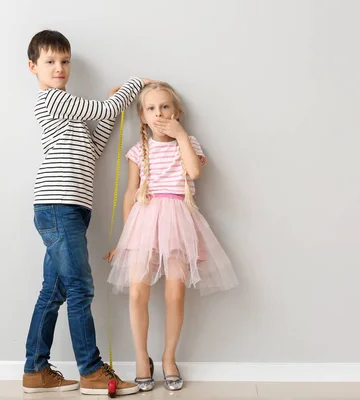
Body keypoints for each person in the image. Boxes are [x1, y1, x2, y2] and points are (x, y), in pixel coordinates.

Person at [22, 29, 156, 395]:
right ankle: (91, 371)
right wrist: (132, 86)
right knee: (81, 287)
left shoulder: (71, 113)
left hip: (73, 208)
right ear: (33, 67)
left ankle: (35, 370)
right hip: (56, 204)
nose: (59, 68)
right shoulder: (52, 101)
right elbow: (106, 109)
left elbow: (95, 146)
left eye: (64, 61)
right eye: (50, 61)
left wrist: (112, 108)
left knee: (55, 291)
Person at [104, 82, 239, 392]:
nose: (159, 113)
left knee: (175, 293)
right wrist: (125, 241)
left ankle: (168, 357)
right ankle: (141, 358)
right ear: (142, 116)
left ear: (178, 113)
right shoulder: (138, 150)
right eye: (151, 108)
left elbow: (194, 173)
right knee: (138, 292)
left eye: (165, 107)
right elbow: (130, 193)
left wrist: (180, 136)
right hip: (145, 222)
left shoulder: (187, 142)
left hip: (178, 221)